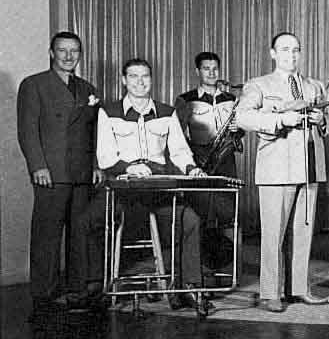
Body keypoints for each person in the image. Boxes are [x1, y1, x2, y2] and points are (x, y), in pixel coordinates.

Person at [75, 58, 213, 315]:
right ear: (124, 80)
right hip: (122, 190)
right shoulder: (108, 111)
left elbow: (181, 152)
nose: (140, 82)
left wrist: (191, 168)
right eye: (134, 76)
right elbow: (105, 157)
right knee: (86, 221)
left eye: (145, 76)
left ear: (152, 79)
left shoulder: (167, 112)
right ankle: (93, 288)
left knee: (190, 220)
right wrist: (129, 167)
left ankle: (189, 288)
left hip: (158, 190)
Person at [237, 32, 329, 312]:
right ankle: (269, 292)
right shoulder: (258, 85)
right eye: (285, 49)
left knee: (303, 233)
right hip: (276, 169)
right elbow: (242, 116)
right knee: (272, 234)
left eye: (296, 50)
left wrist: (321, 120)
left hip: (309, 167)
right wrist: (280, 119)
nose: (292, 55)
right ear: (273, 53)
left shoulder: (314, 86)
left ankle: (299, 288)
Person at [17, 31, 104, 314]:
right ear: (51, 52)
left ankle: (77, 289)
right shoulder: (34, 85)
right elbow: (27, 131)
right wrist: (37, 165)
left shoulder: (88, 88)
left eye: (75, 51)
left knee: (80, 233)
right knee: (47, 234)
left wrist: (95, 166)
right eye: (63, 50)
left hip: (81, 172)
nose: (69, 56)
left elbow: (94, 134)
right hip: (51, 171)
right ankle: (45, 293)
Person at [173, 52, 242, 270]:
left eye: (215, 69)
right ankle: (200, 270)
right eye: (206, 68)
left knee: (228, 214)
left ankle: (228, 270)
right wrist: (193, 158)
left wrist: (238, 130)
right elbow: (177, 134)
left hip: (226, 161)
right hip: (200, 161)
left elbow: (240, 133)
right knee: (200, 214)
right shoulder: (186, 99)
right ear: (197, 71)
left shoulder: (231, 99)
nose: (211, 73)